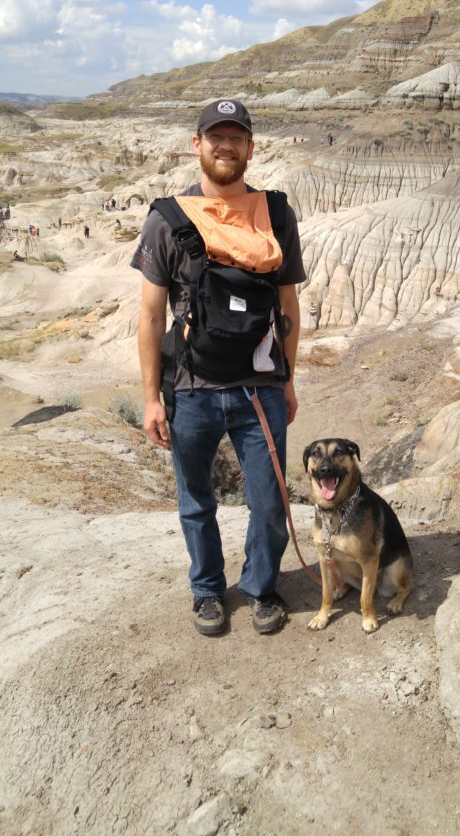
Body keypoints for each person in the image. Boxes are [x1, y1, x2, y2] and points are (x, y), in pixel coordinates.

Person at [131, 99, 306, 637]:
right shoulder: (168, 220)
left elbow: (289, 306)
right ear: (197, 145)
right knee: (195, 502)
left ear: (250, 148)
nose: (225, 146)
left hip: (259, 388)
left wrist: (289, 379)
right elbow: (150, 312)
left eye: (236, 138)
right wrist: (152, 398)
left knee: (270, 503)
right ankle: (207, 590)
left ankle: (261, 587)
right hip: (191, 390)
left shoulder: (276, 213)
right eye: (216, 137)